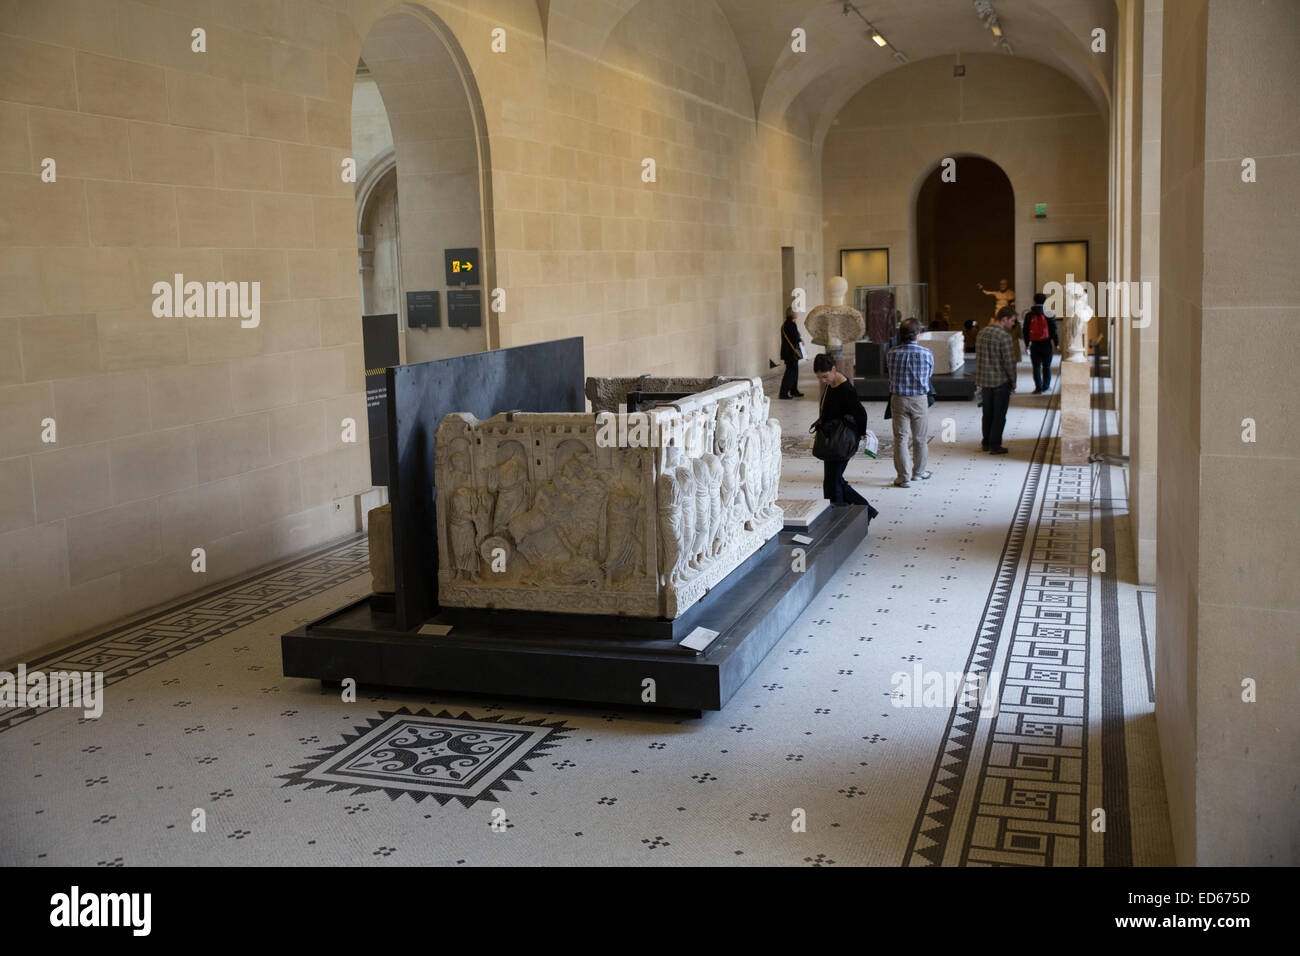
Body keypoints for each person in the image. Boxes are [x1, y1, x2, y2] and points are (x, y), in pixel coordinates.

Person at [812, 353, 877, 517]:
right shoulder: (831, 384)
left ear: (834, 369)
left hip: (842, 440)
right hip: (832, 439)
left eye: (825, 376)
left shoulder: (845, 388)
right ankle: (843, 511)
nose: (823, 381)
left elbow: (861, 412)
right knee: (832, 481)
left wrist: (862, 432)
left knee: (835, 480)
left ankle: (861, 510)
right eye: (820, 378)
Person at [885, 318, 934, 488]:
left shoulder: (892, 353)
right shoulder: (926, 353)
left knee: (900, 438)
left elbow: (889, 373)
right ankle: (919, 473)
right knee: (920, 438)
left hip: (898, 399)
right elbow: (929, 374)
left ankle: (903, 476)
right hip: (919, 399)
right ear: (917, 335)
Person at [976, 306, 1018, 454]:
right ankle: (995, 445)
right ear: (1004, 319)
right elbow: (1009, 362)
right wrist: (1013, 381)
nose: (1013, 324)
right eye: (1012, 321)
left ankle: (986, 442)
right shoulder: (1004, 336)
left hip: (985, 381)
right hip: (1000, 381)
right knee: (999, 415)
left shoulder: (982, 332)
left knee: (987, 414)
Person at [1024, 292, 1059, 393]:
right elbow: (1054, 330)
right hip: (1046, 343)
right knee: (1046, 366)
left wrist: (1027, 344)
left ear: (1034, 301)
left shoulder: (1029, 315)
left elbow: (1025, 330)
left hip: (1034, 344)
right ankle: (1046, 386)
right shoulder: (1049, 313)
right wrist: (1056, 343)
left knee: (1036, 367)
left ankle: (1038, 387)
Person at [779, 307, 804, 399]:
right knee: (790, 373)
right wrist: (800, 340)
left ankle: (794, 390)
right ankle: (783, 393)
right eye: (796, 312)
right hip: (791, 353)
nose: (797, 313)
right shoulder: (792, 324)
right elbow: (795, 338)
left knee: (794, 372)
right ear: (793, 313)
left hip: (787, 352)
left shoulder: (785, 324)